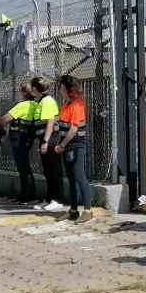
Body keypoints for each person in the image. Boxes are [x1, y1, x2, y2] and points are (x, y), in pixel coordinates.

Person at [52, 77, 93, 220]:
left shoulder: (76, 105)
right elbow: (62, 128)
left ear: (67, 89)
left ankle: (88, 211)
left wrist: (61, 145)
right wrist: (60, 144)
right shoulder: (66, 105)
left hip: (76, 145)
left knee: (80, 176)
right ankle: (73, 210)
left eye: (61, 86)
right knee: (71, 178)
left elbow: (74, 129)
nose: (59, 88)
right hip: (67, 145)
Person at [0, 80, 44, 204]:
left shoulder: (22, 105)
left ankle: (27, 195)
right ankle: (27, 194)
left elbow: (5, 119)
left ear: (24, 93)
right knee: (25, 166)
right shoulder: (36, 104)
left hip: (19, 138)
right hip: (28, 137)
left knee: (22, 167)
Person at [39, 76, 74, 213]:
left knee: (55, 171)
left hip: (54, 139)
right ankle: (50, 198)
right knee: (49, 171)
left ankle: (58, 200)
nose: (59, 89)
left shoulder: (48, 101)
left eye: (60, 86)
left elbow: (50, 121)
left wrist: (46, 141)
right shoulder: (60, 103)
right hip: (52, 138)